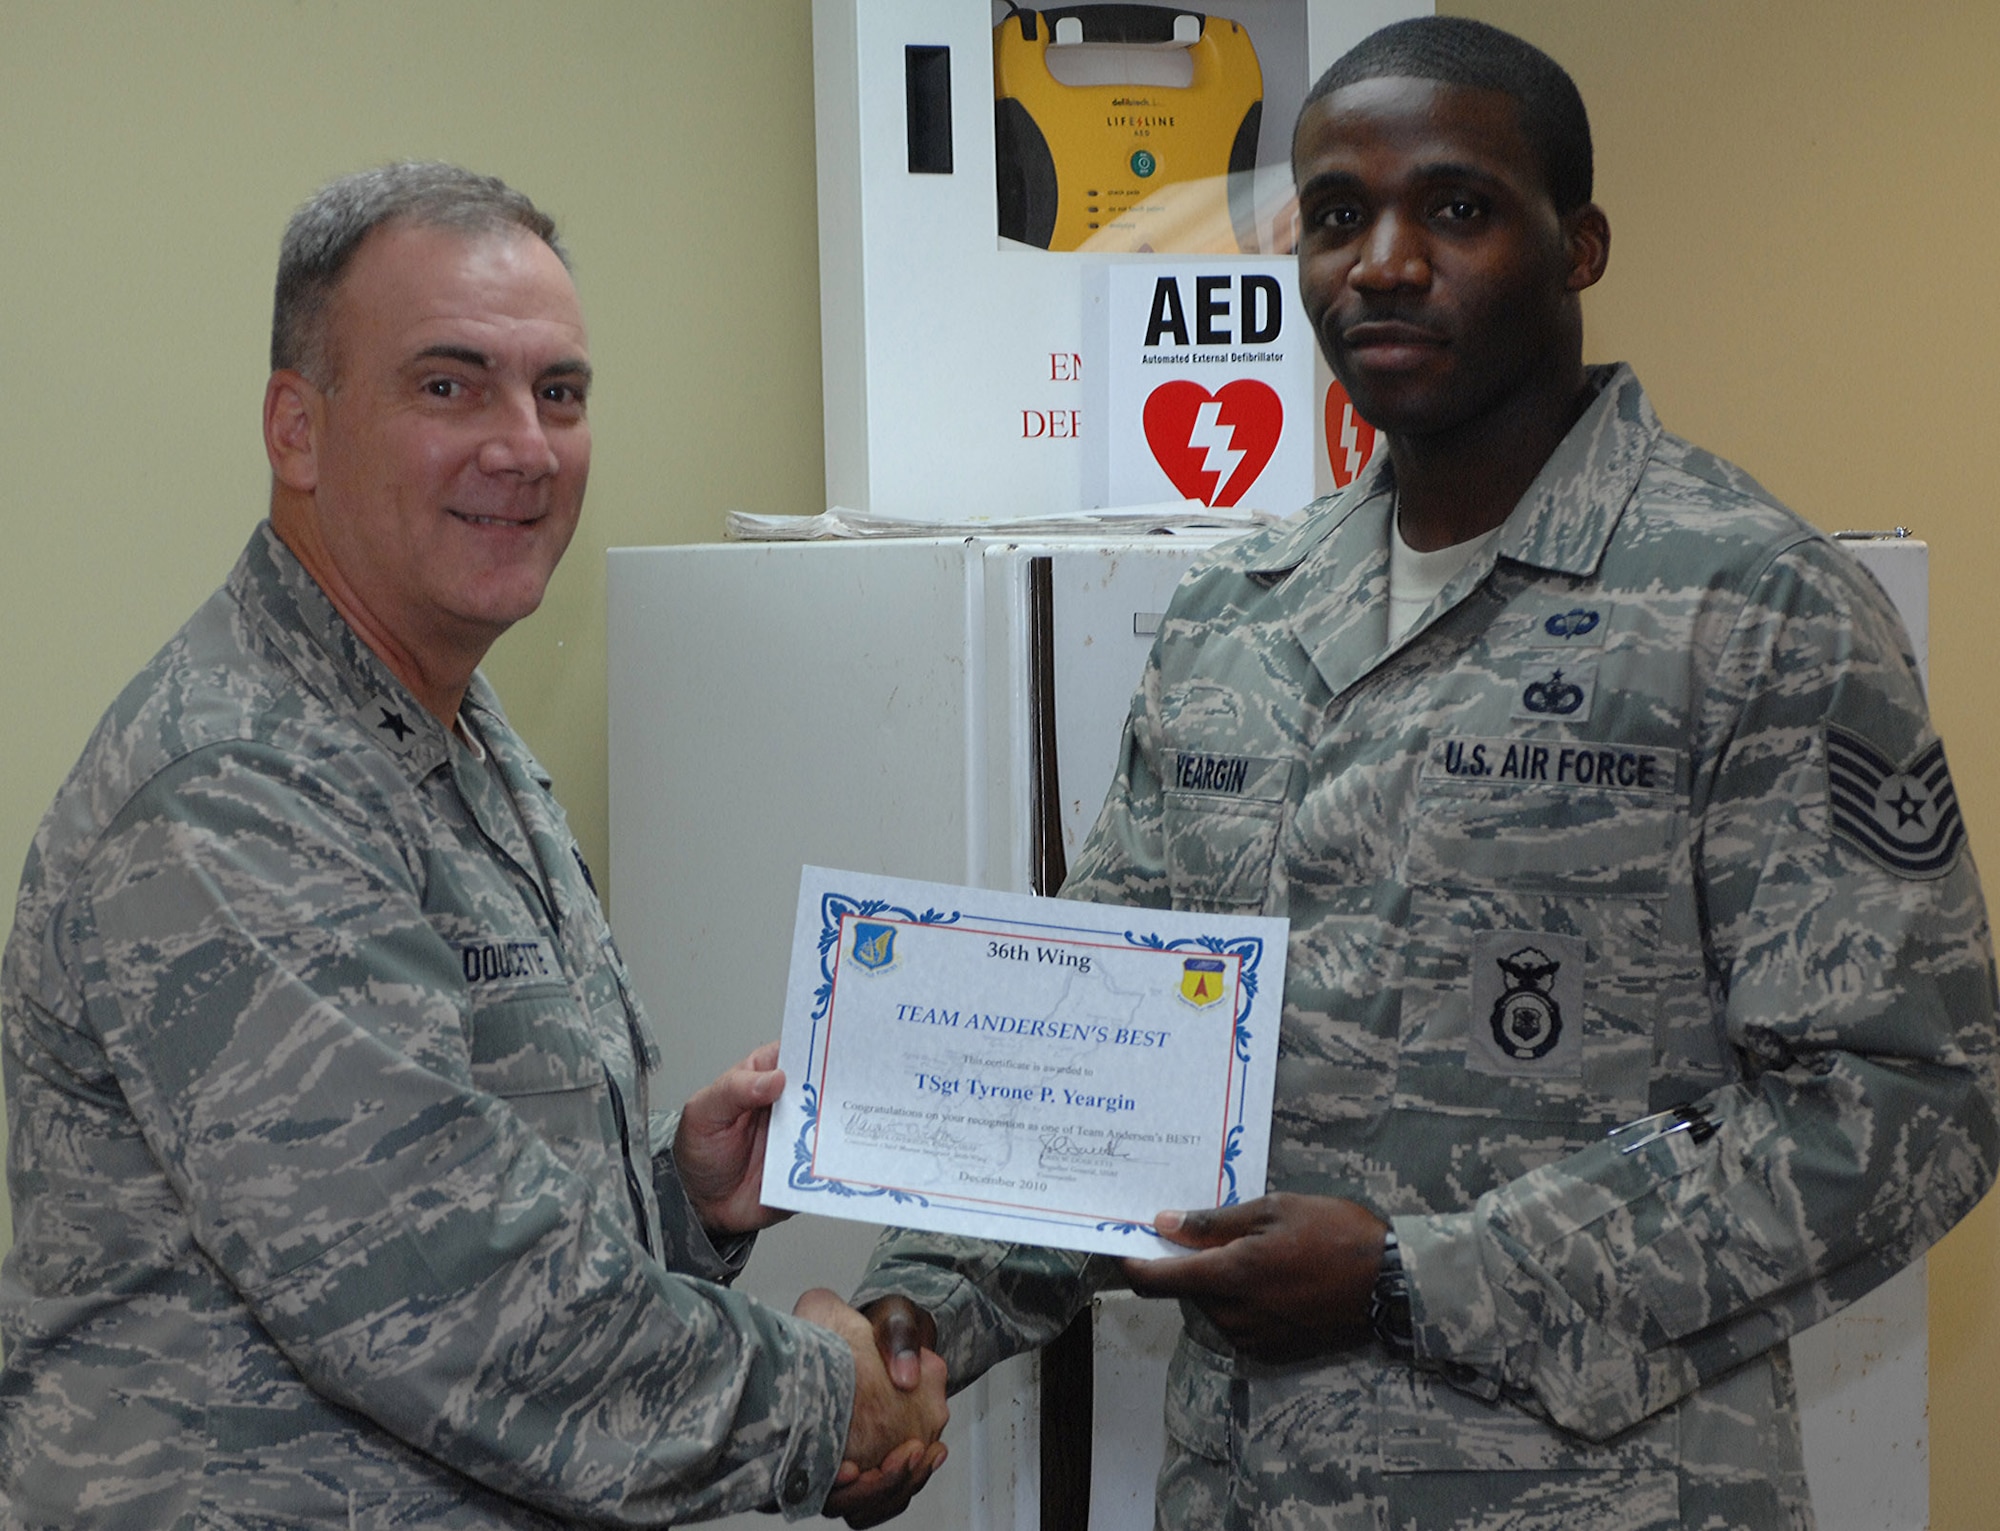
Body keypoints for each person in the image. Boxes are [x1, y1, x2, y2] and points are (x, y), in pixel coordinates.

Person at [845, 17, 2000, 1530]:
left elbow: (1909, 1100)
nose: (1382, 262)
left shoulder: (1750, 609)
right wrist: (908, 1336)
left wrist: (1412, 1280)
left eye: (1455, 208)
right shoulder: (1238, 615)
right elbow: (1101, 1047)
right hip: (1242, 1493)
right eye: (1337, 216)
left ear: (1577, 247)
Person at [0, 162, 947, 1528]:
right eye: (449, 386)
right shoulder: (240, 783)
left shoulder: (444, 721)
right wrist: (836, 1400)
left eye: (558, 393)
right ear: (297, 429)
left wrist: (679, 1205)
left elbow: (460, 1191)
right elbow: (454, 1302)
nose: (525, 444)